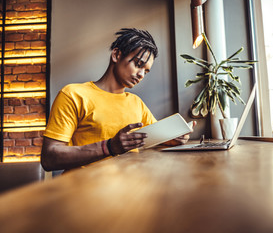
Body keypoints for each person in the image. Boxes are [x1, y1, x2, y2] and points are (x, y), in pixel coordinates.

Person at [41, 28, 194, 172]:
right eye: (138, 64)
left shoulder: (136, 103)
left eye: (146, 71)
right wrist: (109, 147)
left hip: (130, 189)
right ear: (116, 55)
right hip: (84, 191)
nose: (141, 74)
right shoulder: (73, 94)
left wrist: (175, 137)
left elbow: (154, 137)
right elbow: (49, 158)